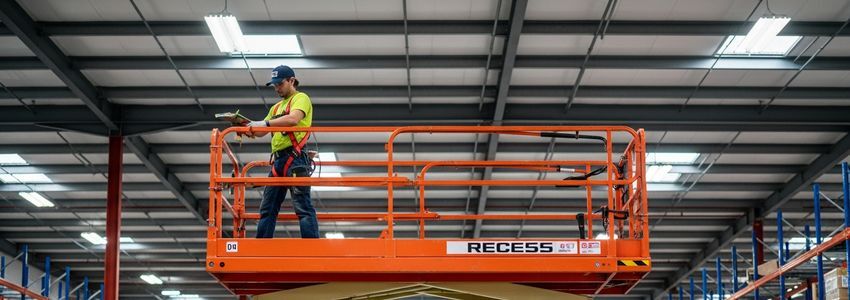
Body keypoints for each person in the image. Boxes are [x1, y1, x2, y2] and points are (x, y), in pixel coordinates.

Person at [244, 65, 318, 238]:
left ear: (291, 81)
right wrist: (249, 129)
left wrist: (264, 124)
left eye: (280, 84)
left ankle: (312, 248)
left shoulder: (301, 98)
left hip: (296, 159)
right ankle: (262, 247)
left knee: (302, 206)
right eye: (275, 85)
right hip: (278, 162)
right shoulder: (276, 108)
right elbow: (263, 131)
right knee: (267, 207)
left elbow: (293, 119)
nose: (277, 88)